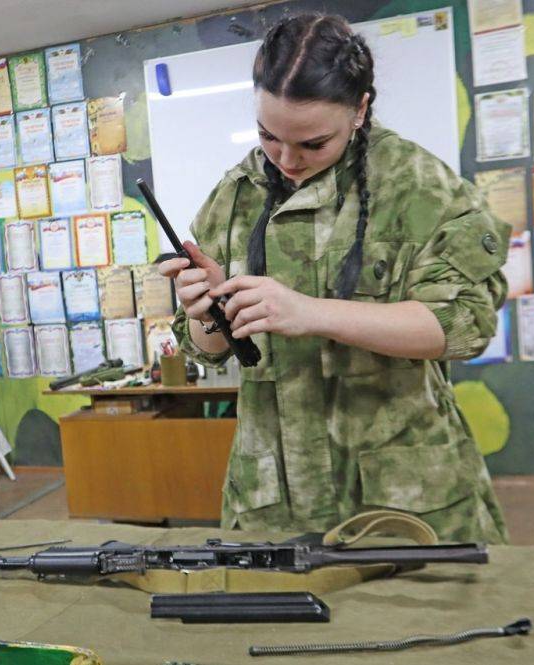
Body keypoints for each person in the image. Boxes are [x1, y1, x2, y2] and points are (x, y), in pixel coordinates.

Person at [160, 14, 510, 543]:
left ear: (361, 109)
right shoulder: (233, 198)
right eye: (268, 136)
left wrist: (310, 312)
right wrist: (205, 314)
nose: (286, 158)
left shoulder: (421, 187)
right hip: (272, 499)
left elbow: (463, 324)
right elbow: (207, 350)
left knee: (422, 626)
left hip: (402, 498)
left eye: (313, 143)